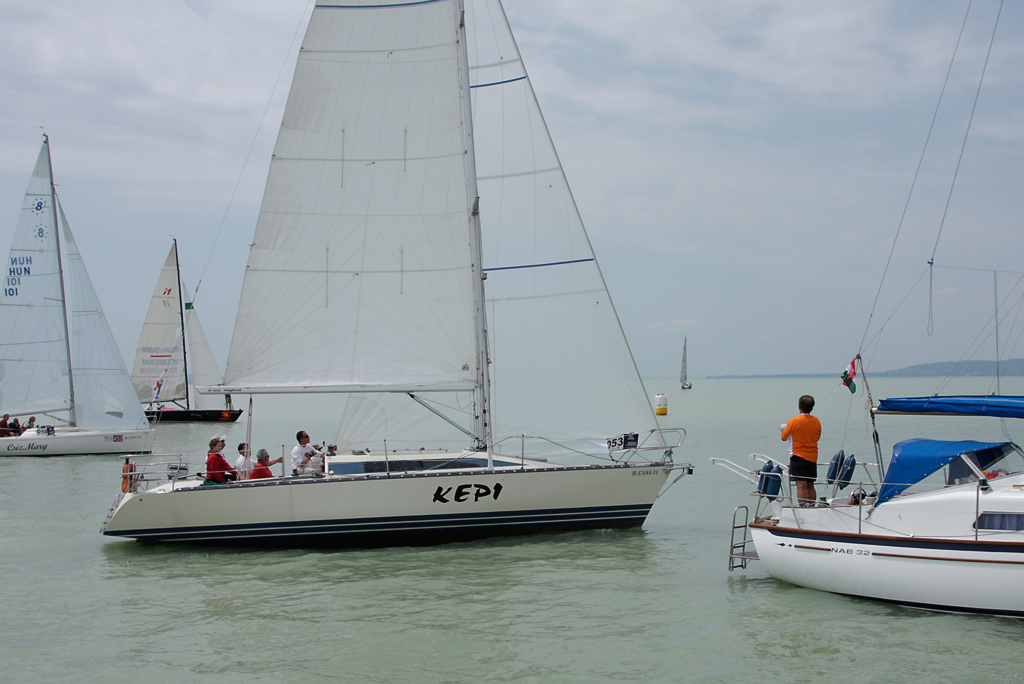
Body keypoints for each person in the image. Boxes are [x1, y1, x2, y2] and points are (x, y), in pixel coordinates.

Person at [781, 394, 822, 506]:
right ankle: (812, 506)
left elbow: (784, 437)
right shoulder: (816, 421)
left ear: (799, 406)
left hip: (798, 456)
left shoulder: (794, 421)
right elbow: (817, 437)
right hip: (812, 457)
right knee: (810, 484)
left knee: (801, 485)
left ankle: (803, 507)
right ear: (812, 407)